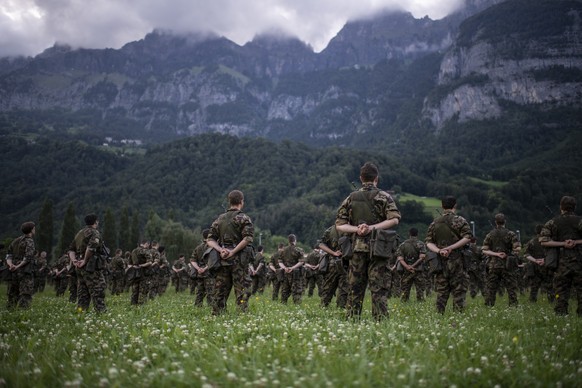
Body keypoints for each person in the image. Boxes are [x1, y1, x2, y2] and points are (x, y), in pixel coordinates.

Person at [336, 162, 401, 320]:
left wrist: (358, 229)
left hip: (357, 248)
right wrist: (373, 227)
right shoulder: (385, 197)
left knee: (355, 288)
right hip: (379, 249)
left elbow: (340, 225)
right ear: (376, 178)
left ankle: (352, 320)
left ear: (361, 178)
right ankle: (380, 321)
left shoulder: (351, 198)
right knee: (378, 288)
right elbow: (394, 220)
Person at [206, 190, 254, 315]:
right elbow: (247, 238)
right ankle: (242, 317)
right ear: (241, 202)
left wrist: (221, 249)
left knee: (220, 293)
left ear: (229, 201)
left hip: (223, 260)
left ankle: (217, 318)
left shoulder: (219, 219)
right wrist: (233, 252)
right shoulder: (243, 218)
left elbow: (210, 240)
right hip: (239, 261)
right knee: (242, 293)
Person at [425, 196, 472, 314]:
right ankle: (457, 316)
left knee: (441, 291)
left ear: (442, 206)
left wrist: (439, 251)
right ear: (455, 206)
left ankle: (439, 316)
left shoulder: (435, 222)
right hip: (458, 261)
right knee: (459, 291)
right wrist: (451, 247)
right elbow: (468, 237)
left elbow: (428, 242)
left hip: (440, 260)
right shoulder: (461, 221)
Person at [540, 195, 582, 316]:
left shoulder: (553, 222)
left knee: (561, 291)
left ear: (561, 207)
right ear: (574, 207)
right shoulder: (579, 221)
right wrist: (576, 242)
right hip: (579, 261)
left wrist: (563, 243)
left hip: (561, 263)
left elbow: (544, 241)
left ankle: (561, 314)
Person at [68, 214, 108, 313]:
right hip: (91, 266)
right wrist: (85, 260)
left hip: (79, 266)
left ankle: (81, 312)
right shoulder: (95, 233)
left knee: (82, 291)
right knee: (98, 289)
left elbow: (71, 250)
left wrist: (74, 261)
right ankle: (101, 312)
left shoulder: (80, 233)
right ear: (96, 222)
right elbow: (91, 248)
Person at [481, 213, 521, 307]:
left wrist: (496, 254)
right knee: (511, 288)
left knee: (491, 288)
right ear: (505, 221)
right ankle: (513, 306)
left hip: (493, 265)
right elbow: (518, 249)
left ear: (496, 222)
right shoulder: (511, 234)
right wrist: (507, 255)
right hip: (507, 265)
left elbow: (484, 250)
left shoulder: (490, 234)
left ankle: (489, 306)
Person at [5, 221, 36, 309]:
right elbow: (28, 257)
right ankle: (23, 313)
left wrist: (11, 265)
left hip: (13, 271)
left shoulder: (16, 241)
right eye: (34, 228)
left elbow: (8, 255)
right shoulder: (29, 241)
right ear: (31, 230)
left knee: (13, 292)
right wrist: (18, 266)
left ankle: (10, 310)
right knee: (25, 293)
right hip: (25, 271)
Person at [318, 225, 349, 309]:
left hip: (333, 262)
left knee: (328, 288)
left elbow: (321, 244)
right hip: (345, 263)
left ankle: (323, 308)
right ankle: (340, 310)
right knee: (343, 289)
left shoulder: (330, 230)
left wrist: (333, 253)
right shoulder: (352, 228)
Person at [523, 225, 554, 303]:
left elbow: (526, 255)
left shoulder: (531, 242)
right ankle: (552, 302)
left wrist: (535, 260)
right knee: (550, 286)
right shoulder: (549, 241)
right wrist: (544, 260)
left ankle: (532, 303)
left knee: (534, 287)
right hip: (547, 266)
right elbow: (553, 254)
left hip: (535, 267)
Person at [395, 228, 427, 302]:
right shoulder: (421, 244)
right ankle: (420, 304)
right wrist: (413, 266)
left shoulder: (403, 244)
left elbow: (400, 258)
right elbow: (422, 257)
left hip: (406, 271)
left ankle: (404, 304)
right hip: (418, 270)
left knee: (405, 290)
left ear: (409, 234)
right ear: (417, 234)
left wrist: (407, 267)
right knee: (420, 290)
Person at [190, 229, 215, 307]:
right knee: (210, 293)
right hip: (209, 274)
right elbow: (213, 261)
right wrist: (205, 268)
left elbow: (192, 260)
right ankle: (211, 309)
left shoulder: (198, 248)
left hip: (200, 274)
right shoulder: (212, 247)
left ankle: (197, 308)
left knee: (199, 293)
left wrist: (198, 269)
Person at [279, 234, 305, 305]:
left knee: (285, 290)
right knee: (296, 290)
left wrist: (285, 268)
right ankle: (297, 306)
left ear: (288, 241)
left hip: (286, 273)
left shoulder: (283, 250)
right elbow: (301, 261)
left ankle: (283, 305)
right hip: (295, 274)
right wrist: (292, 268)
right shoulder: (299, 250)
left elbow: (280, 262)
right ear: (295, 240)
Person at [130, 240, 153, 305]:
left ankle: (133, 305)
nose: (148, 246)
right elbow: (150, 262)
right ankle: (141, 306)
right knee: (143, 290)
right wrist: (141, 265)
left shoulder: (133, 251)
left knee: (135, 290)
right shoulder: (145, 251)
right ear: (145, 244)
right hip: (144, 273)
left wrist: (135, 266)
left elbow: (129, 264)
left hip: (135, 273)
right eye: (148, 244)